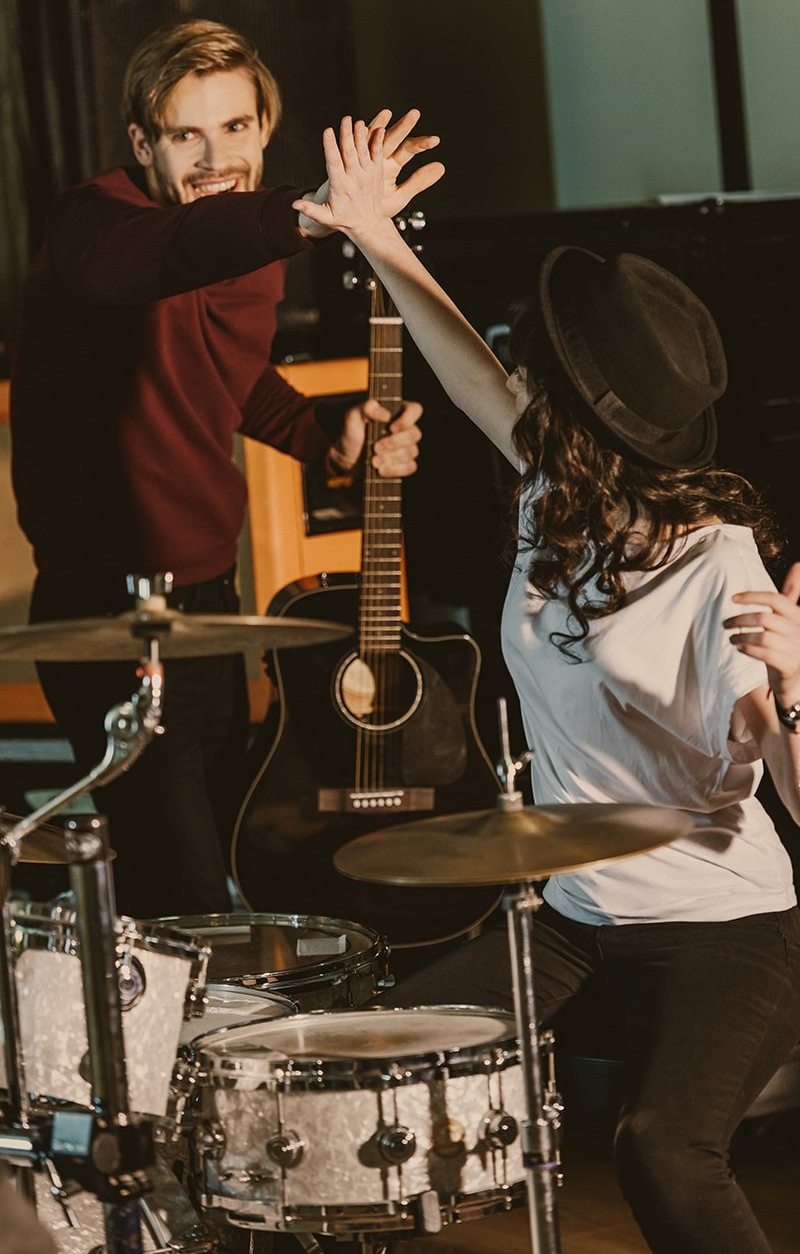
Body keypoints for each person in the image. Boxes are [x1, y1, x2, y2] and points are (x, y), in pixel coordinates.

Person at [296, 118, 800, 1253]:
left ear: (580, 415)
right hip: (574, 911)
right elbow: (464, 363)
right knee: (361, 1053)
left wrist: (796, 684)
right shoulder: (553, 494)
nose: (514, 371)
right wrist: (374, 233)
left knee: (660, 1147)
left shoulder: (717, 567)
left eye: (538, 366)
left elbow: (793, 786)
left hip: (722, 923)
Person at [9, 23, 441, 919]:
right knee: (189, 901)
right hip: (113, 621)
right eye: (186, 135)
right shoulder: (93, 223)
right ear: (142, 144)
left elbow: (229, 371)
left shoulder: (247, 246)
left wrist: (329, 436)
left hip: (208, 604)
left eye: (236, 128)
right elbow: (154, 259)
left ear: (265, 128)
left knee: (234, 860)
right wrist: (304, 216)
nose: (216, 160)